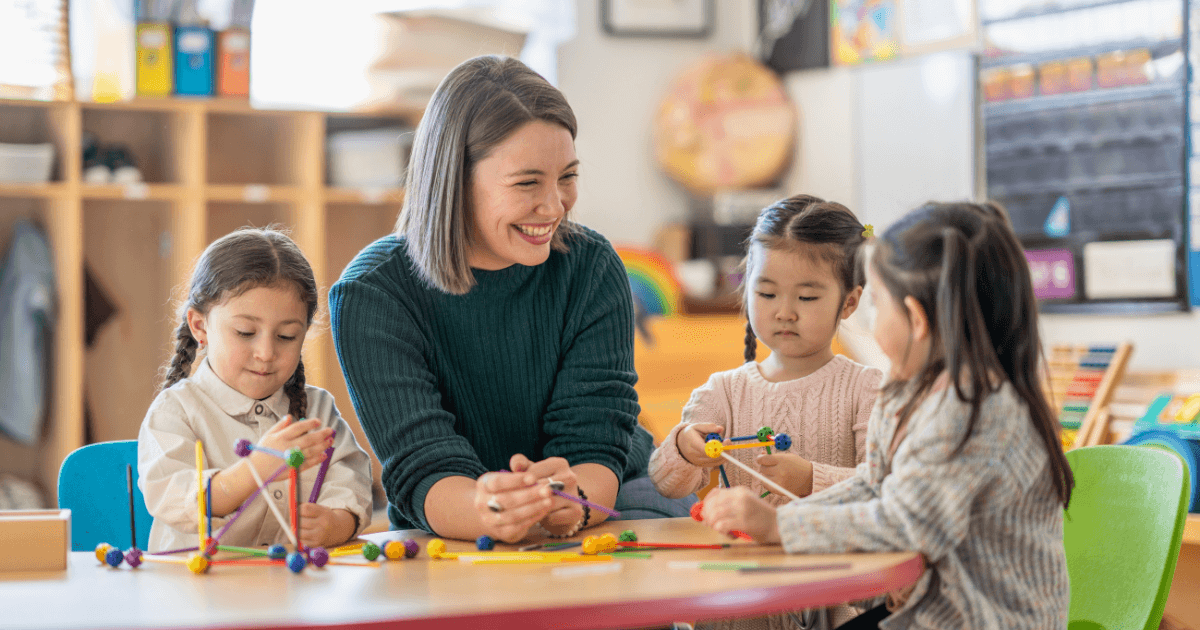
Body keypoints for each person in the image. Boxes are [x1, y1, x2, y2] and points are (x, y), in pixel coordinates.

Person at [329, 55, 693, 544]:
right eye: (527, 182)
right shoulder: (372, 293)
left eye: (567, 176)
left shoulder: (591, 266)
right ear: (454, 181)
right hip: (457, 524)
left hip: (617, 498)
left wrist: (573, 504)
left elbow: (597, 443)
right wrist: (491, 512)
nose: (555, 205)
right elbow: (422, 467)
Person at [698, 201, 1074, 629]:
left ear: (914, 319)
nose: (868, 318)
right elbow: (875, 485)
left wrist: (780, 527)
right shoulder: (907, 391)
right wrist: (781, 522)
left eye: (877, 302)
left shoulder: (976, 409)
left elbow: (905, 523)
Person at [649, 195, 882, 629]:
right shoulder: (723, 391)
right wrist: (684, 447)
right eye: (766, 292)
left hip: (832, 603)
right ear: (746, 289)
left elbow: (887, 488)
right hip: (737, 604)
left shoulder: (865, 388)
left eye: (808, 296)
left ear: (849, 303)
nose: (784, 311)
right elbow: (665, 483)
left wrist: (811, 477)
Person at [138, 227, 373, 552]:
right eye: (246, 332)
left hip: (288, 590)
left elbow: (352, 483)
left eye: (287, 336)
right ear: (200, 326)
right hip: (195, 592)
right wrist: (256, 468)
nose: (266, 352)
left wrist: (335, 524)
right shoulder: (175, 410)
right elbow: (173, 496)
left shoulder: (317, 411)